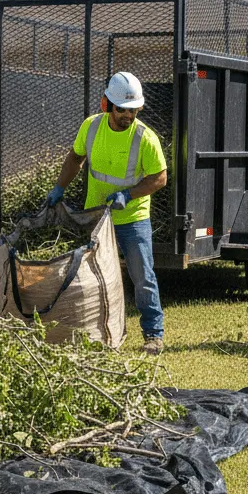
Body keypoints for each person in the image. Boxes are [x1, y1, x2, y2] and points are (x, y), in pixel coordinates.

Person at [45, 72, 168, 354]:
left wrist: (129, 194)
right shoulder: (90, 127)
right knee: (91, 277)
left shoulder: (145, 138)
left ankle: (153, 334)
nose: (128, 115)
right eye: (122, 110)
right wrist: (59, 187)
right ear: (106, 105)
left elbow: (159, 178)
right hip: (96, 217)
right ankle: (94, 331)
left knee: (142, 275)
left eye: (133, 110)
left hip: (132, 219)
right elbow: (76, 158)